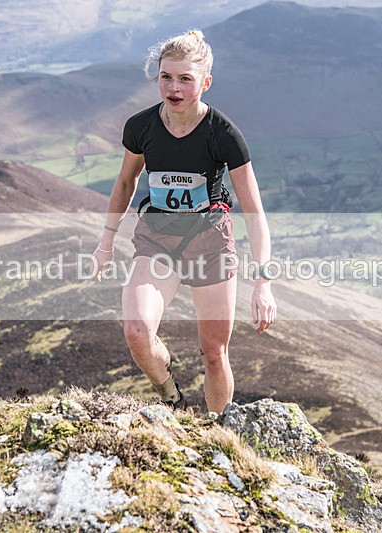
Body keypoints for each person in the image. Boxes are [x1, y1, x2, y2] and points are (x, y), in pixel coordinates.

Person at [93, 29, 276, 414]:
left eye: (185, 79)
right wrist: (105, 243)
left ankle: (218, 433)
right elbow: (126, 182)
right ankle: (173, 401)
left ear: (205, 82)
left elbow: (253, 210)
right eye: (166, 77)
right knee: (137, 331)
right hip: (158, 239)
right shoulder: (140, 127)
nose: (173, 87)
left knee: (213, 352)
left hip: (210, 243)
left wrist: (263, 282)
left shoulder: (223, 134)